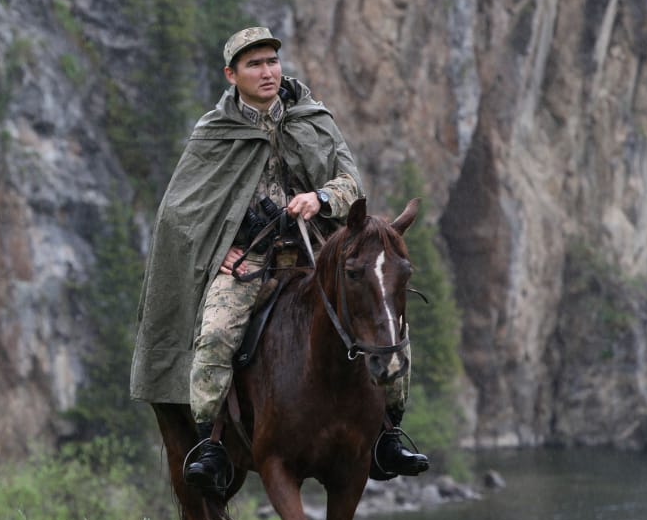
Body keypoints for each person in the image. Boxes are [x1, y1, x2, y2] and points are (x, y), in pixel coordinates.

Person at [129, 26, 429, 496]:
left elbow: (351, 182)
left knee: (392, 330)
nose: (267, 71)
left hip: (318, 254)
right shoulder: (214, 132)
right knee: (213, 336)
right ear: (232, 75)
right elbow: (180, 211)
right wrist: (218, 245)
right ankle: (209, 442)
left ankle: (388, 435)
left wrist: (321, 197)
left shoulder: (313, 118)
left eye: (272, 61)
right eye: (254, 64)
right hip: (252, 260)